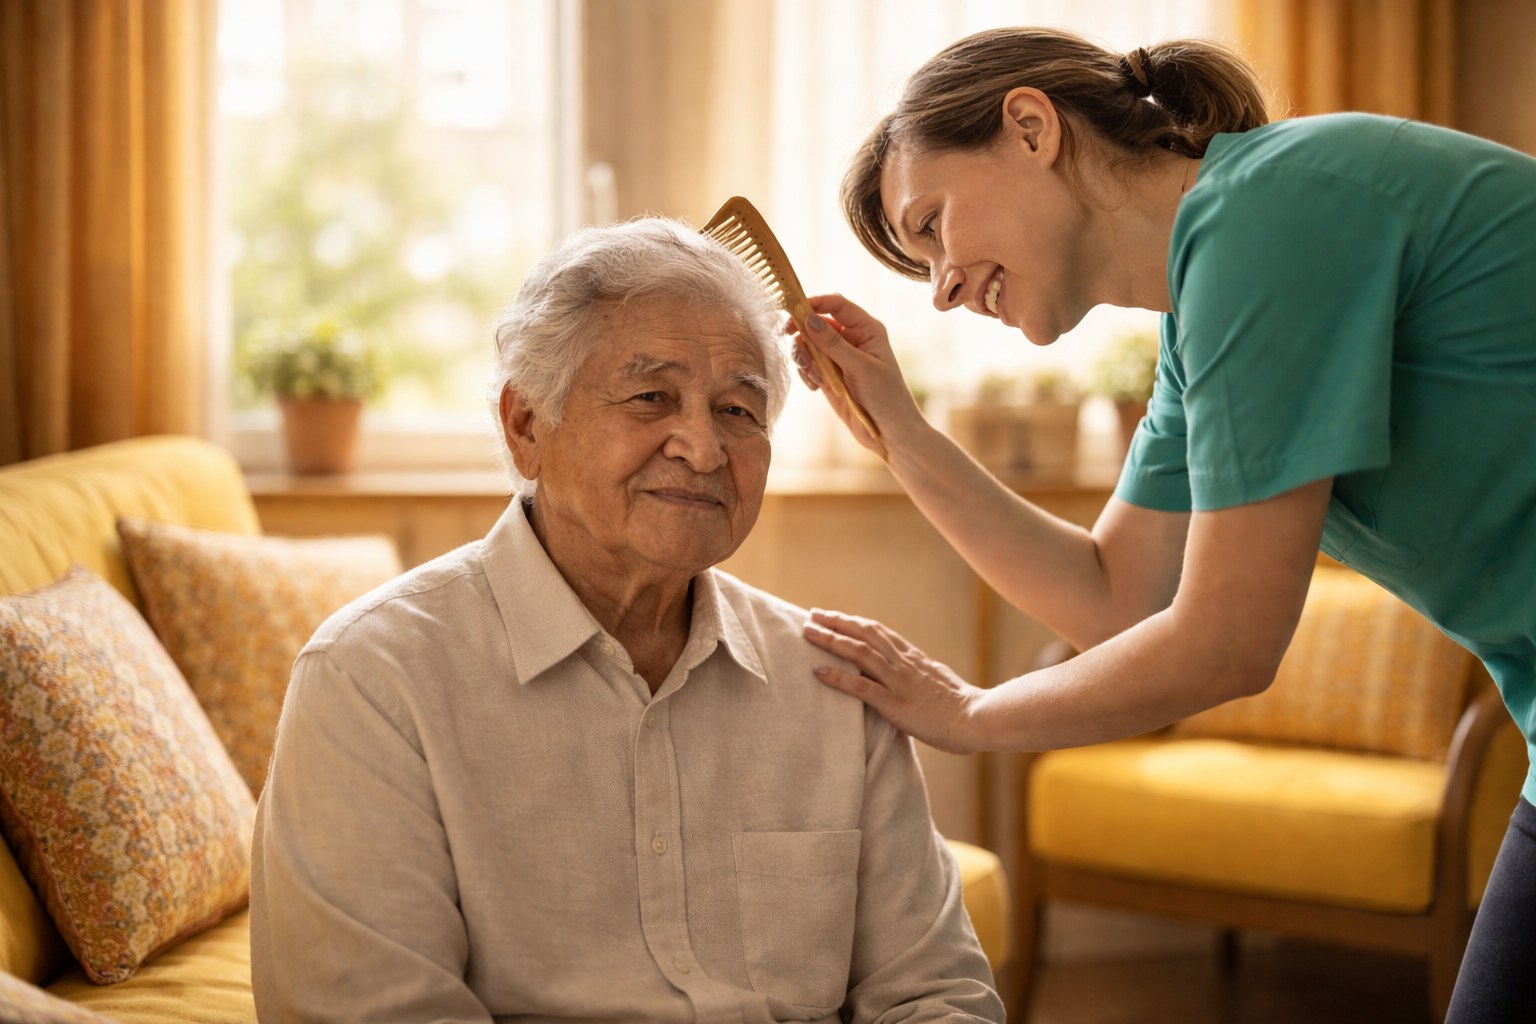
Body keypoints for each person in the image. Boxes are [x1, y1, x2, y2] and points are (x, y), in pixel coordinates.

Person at [788, 27, 1536, 1022]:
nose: (945, 288)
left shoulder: (1270, 214)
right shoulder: (1205, 327)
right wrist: (903, 437)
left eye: (933, 225)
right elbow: (1117, 597)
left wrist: (969, 716)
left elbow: (1224, 642)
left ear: (1028, 126)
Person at [248, 219, 1003, 1024]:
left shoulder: (837, 684)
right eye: (651, 397)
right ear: (526, 425)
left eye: (740, 411)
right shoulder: (371, 681)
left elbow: (934, 992)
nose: (705, 448)